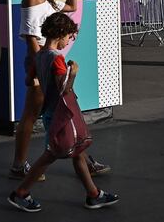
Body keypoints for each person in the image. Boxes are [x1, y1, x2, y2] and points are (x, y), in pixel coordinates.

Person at [9, 0, 110, 180]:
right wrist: (38, 69)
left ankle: (82, 160)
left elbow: (73, 6)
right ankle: (19, 166)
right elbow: (31, 38)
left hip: (47, 64)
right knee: (32, 115)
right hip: (40, 64)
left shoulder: (49, 0)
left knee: (65, 111)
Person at [8, 12, 119, 212]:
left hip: (50, 112)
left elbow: (28, 81)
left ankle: (94, 194)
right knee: (51, 155)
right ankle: (21, 193)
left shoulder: (39, 56)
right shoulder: (57, 59)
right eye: (69, 37)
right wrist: (73, 72)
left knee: (77, 151)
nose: (68, 41)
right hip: (61, 114)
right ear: (61, 34)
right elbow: (64, 88)